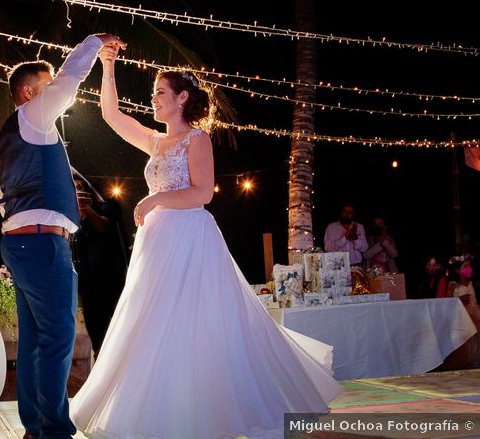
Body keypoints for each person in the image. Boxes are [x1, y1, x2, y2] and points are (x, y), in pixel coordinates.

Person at [70, 46, 341, 438]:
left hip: (190, 239)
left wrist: (156, 198)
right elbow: (111, 116)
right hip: (157, 244)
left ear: (182, 98)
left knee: (197, 321)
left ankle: (210, 408)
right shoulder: (156, 141)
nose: (153, 98)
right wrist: (108, 66)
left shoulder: (196, 139)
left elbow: (202, 194)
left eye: (160, 91)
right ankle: (160, 408)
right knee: (152, 321)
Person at [0, 32, 125, 439]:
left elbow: (5, 202)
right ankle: (53, 430)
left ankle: (35, 427)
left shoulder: (9, 140)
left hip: (21, 242)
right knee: (58, 337)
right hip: (41, 242)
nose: (55, 92)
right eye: (45, 85)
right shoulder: (33, 115)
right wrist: (94, 41)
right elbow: (69, 79)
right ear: (30, 92)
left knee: (35, 339)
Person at [71, 175, 128, 356]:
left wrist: (84, 207)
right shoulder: (74, 220)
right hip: (88, 286)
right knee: (97, 336)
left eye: (80, 186)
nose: (77, 191)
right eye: (73, 188)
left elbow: (102, 225)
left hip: (109, 281)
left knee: (117, 332)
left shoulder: (107, 206)